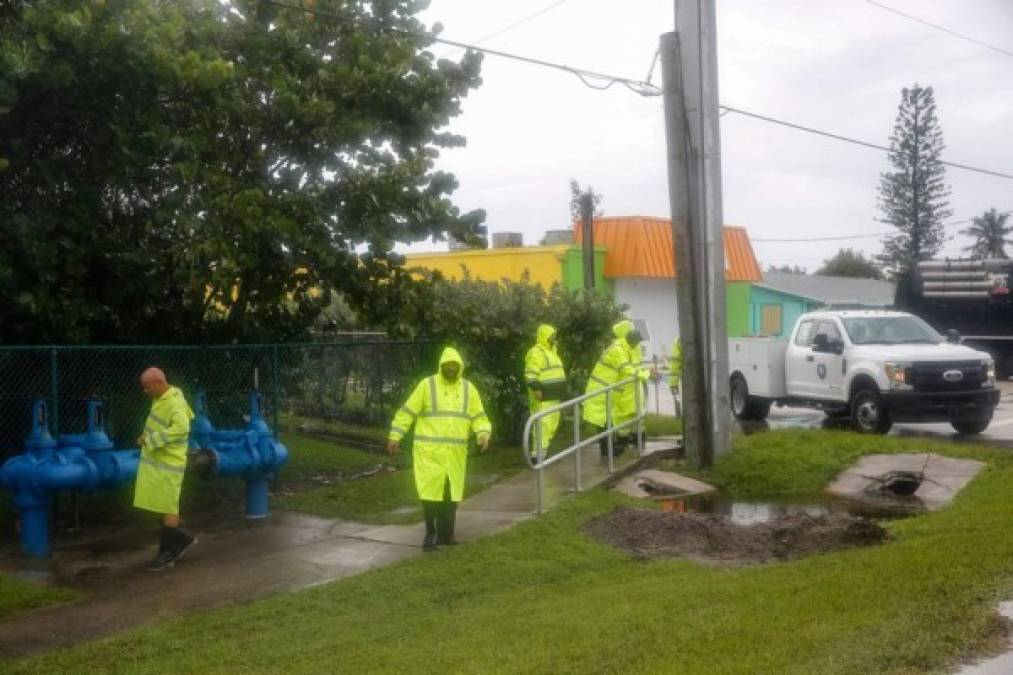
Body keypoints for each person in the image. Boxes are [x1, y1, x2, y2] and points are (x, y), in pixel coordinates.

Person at [387, 348, 491, 552]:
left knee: (451, 495)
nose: (451, 368)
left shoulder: (469, 389)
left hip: (455, 453)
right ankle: (430, 535)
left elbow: (479, 416)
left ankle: (447, 535)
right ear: (441, 365)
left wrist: (483, 433)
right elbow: (407, 412)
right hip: (429, 452)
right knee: (430, 495)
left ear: (459, 367)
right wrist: (395, 435)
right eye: (448, 365)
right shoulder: (427, 386)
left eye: (455, 365)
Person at [134, 367, 196, 571]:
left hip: (169, 463)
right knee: (163, 503)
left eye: (147, 387)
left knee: (169, 506)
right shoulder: (162, 399)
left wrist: (151, 440)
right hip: (160, 462)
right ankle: (182, 538)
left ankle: (167, 552)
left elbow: (181, 429)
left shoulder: (174, 402)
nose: (145, 391)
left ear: (159, 382)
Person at [583, 320, 653, 457]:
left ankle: (609, 449)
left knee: (609, 420)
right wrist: (648, 374)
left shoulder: (626, 349)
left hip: (608, 390)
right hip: (600, 390)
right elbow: (625, 368)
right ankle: (606, 450)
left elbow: (630, 369)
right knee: (603, 421)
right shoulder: (617, 350)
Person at [524, 324, 567, 464]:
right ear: (545, 336)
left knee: (551, 426)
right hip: (543, 397)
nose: (554, 338)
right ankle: (537, 457)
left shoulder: (552, 352)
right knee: (542, 426)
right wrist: (537, 389)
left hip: (554, 396)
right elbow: (530, 375)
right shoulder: (535, 352)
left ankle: (543, 454)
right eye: (552, 335)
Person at [669, 337, 683, 418]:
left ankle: (678, 414)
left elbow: (675, 365)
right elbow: (675, 365)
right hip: (676, 377)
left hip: (675, 377)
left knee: (676, 396)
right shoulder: (678, 345)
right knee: (677, 396)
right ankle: (678, 414)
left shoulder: (676, 344)